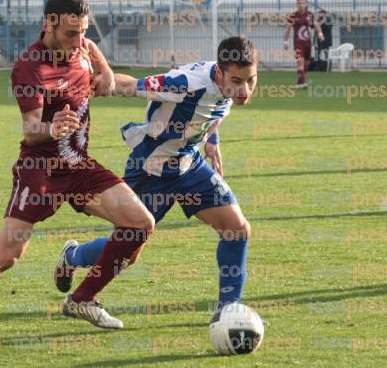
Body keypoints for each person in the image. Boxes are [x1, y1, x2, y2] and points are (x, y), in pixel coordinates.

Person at [0, 0, 155, 348]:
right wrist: (53, 128)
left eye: (83, 31)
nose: (79, 40)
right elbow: (31, 129)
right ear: (48, 24)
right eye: (71, 33)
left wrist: (107, 70)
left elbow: (91, 51)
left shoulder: (80, 46)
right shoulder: (30, 67)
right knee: (6, 257)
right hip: (40, 170)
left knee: (139, 224)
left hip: (79, 166)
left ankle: (81, 300)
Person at [55, 36, 258, 322]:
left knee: (237, 230)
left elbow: (212, 107)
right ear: (220, 72)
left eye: (251, 80)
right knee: (129, 250)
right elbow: (130, 85)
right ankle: (74, 257)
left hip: (189, 165)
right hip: (151, 170)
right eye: (237, 81)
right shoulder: (187, 84)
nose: (244, 91)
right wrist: (97, 81)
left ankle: (228, 312)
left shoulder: (225, 79)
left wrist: (211, 139)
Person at [283, 0, 324, 88]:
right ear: (297, 4)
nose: (301, 5)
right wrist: (285, 41)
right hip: (298, 43)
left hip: (308, 43)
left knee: (306, 64)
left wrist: (320, 33)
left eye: (303, 3)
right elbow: (288, 29)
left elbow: (316, 25)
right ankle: (301, 83)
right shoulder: (293, 16)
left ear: (306, 4)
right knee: (300, 62)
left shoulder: (310, 15)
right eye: (299, 3)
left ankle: (300, 82)